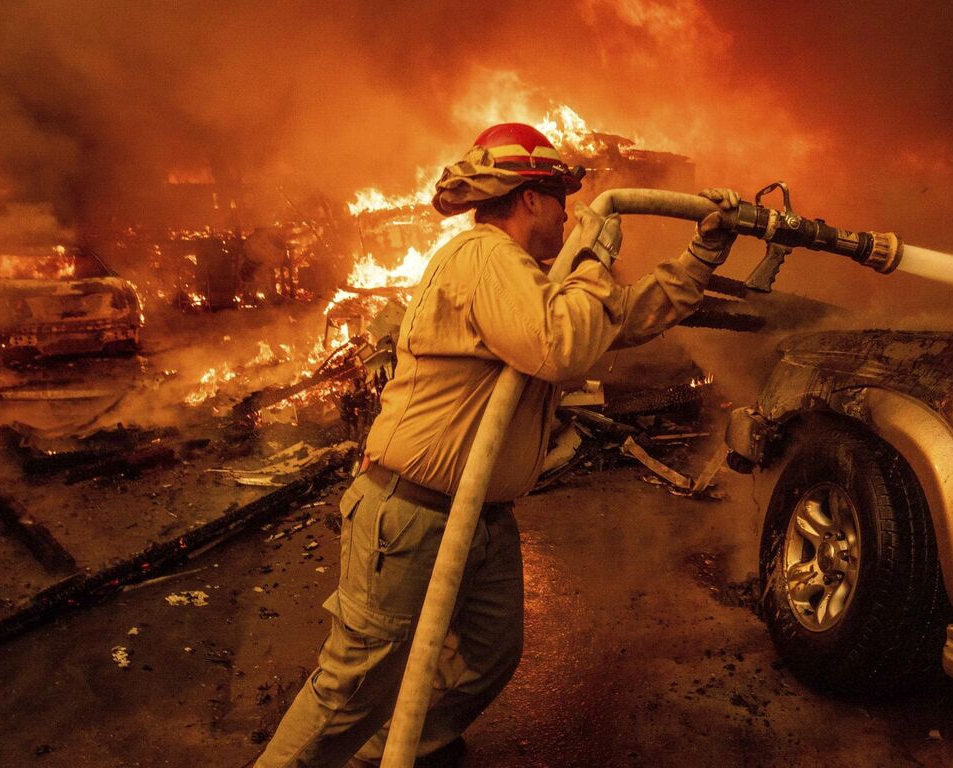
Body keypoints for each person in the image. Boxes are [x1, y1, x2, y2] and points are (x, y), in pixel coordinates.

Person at [254, 123, 738, 768]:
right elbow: (561, 347)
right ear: (529, 198)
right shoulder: (484, 256)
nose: (569, 216)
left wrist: (700, 259)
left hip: (479, 516)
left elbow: (616, 319)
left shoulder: (528, 279)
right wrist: (594, 257)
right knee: (355, 685)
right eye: (560, 200)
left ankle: (400, 751)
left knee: (485, 657)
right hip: (411, 516)